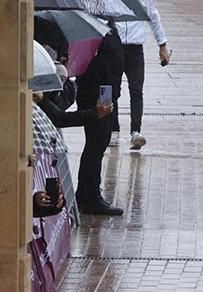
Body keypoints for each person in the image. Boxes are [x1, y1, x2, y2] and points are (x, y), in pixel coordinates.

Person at [75, 26, 126, 216]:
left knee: (97, 144)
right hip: (99, 94)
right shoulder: (93, 28)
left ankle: (84, 193)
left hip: (106, 92)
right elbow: (102, 67)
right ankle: (91, 197)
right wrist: (105, 100)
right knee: (96, 144)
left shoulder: (107, 26)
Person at [113, 0, 170, 150]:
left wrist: (162, 44)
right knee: (111, 90)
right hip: (113, 47)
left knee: (136, 90)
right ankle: (113, 130)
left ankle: (136, 131)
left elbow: (153, 15)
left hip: (135, 50)